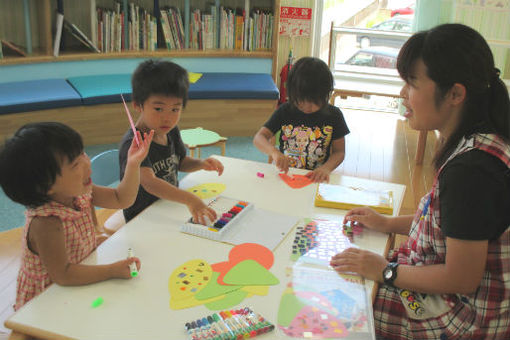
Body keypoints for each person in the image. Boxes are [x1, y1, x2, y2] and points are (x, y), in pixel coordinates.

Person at [330, 23, 510, 339]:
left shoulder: (471, 172)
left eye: (412, 83)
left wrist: (385, 270)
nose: (403, 93)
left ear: (455, 93)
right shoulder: (479, 143)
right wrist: (386, 223)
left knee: (337, 307)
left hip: (461, 318)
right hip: (446, 295)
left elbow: (462, 278)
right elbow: (449, 224)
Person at [0, 122, 154, 310]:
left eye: (82, 153)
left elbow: (121, 199)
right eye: (75, 164)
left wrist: (133, 163)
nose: (87, 163)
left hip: (78, 280)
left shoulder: (79, 192)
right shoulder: (46, 223)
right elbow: (63, 274)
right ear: (47, 187)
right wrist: (111, 270)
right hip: (49, 300)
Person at [119, 59, 224, 225]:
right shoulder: (134, 143)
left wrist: (201, 163)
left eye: (175, 109)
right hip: (142, 218)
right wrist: (191, 200)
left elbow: (180, 162)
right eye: (158, 109)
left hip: (169, 205)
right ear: (138, 105)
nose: (167, 117)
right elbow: (150, 183)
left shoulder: (170, 131)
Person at [253, 57, 349, 183]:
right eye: (301, 101)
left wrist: (326, 168)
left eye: (315, 102)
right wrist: (274, 152)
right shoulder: (285, 110)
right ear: (292, 94)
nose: (308, 107)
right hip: (286, 176)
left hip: (315, 179)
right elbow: (259, 138)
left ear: (326, 95)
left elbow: (339, 152)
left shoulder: (334, 115)